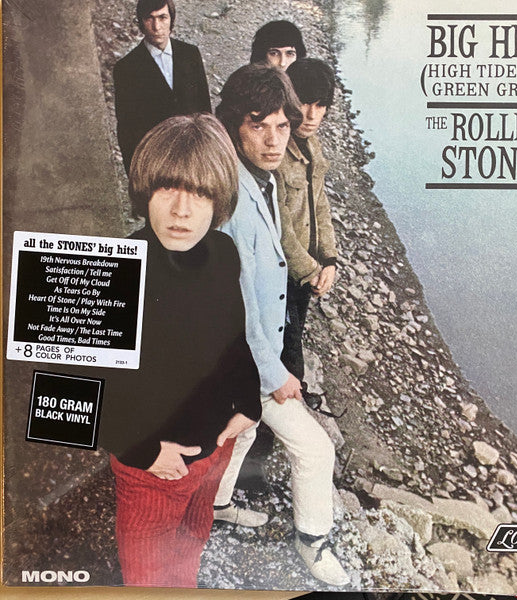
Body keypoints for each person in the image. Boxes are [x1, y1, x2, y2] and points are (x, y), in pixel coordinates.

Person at [100, 113, 261, 587]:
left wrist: (248, 402)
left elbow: (234, 339)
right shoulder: (113, 271)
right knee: (149, 581)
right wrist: (142, 450)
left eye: (200, 193)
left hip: (214, 454)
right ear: (145, 191)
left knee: (192, 543)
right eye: (168, 188)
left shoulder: (223, 254)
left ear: (219, 200)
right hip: (154, 472)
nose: (181, 211)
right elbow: (63, 399)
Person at [213, 64, 350, 587]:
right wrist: (274, 375)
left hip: (254, 355)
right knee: (316, 449)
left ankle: (218, 504)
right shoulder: (233, 201)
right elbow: (238, 305)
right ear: (235, 126)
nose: (274, 141)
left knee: (243, 433)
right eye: (258, 125)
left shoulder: (262, 179)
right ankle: (314, 543)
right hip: (244, 361)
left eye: (282, 127)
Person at [276, 58, 338, 384]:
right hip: (284, 273)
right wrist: (311, 270)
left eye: (320, 106)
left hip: (306, 272)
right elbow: (280, 225)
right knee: (287, 355)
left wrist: (329, 259)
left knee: (294, 336)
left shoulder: (313, 145)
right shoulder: (276, 150)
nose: (312, 115)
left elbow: (320, 204)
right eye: (305, 103)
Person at [113, 0, 212, 173]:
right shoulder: (126, 68)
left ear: (171, 19)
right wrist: (135, 174)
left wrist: (209, 154)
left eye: (162, 17)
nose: (156, 26)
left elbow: (205, 109)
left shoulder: (190, 54)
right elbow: (126, 129)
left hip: (194, 156)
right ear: (141, 22)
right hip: (156, 163)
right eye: (149, 18)